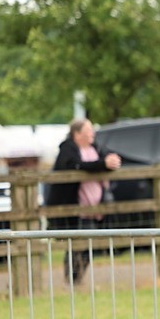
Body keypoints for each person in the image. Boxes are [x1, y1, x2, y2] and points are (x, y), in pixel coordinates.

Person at [45, 118, 122, 283]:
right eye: (88, 131)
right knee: (76, 244)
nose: (92, 134)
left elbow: (105, 158)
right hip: (75, 208)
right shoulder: (68, 149)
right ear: (77, 134)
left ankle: (77, 278)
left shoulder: (95, 147)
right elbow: (77, 165)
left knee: (90, 245)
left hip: (95, 208)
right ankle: (72, 279)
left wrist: (111, 160)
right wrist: (103, 164)